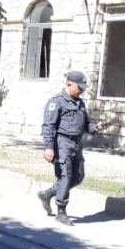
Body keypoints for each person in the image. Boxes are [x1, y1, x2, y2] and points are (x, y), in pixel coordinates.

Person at [38, 71, 106, 225]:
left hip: (77, 144)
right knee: (65, 176)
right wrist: (49, 147)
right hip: (62, 144)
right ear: (69, 84)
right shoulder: (57, 101)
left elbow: (86, 124)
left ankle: (47, 194)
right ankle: (61, 212)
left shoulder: (80, 103)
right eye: (79, 87)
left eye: (83, 88)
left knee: (78, 177)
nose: (81, 90)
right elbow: (48, 126)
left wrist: (96, 127)